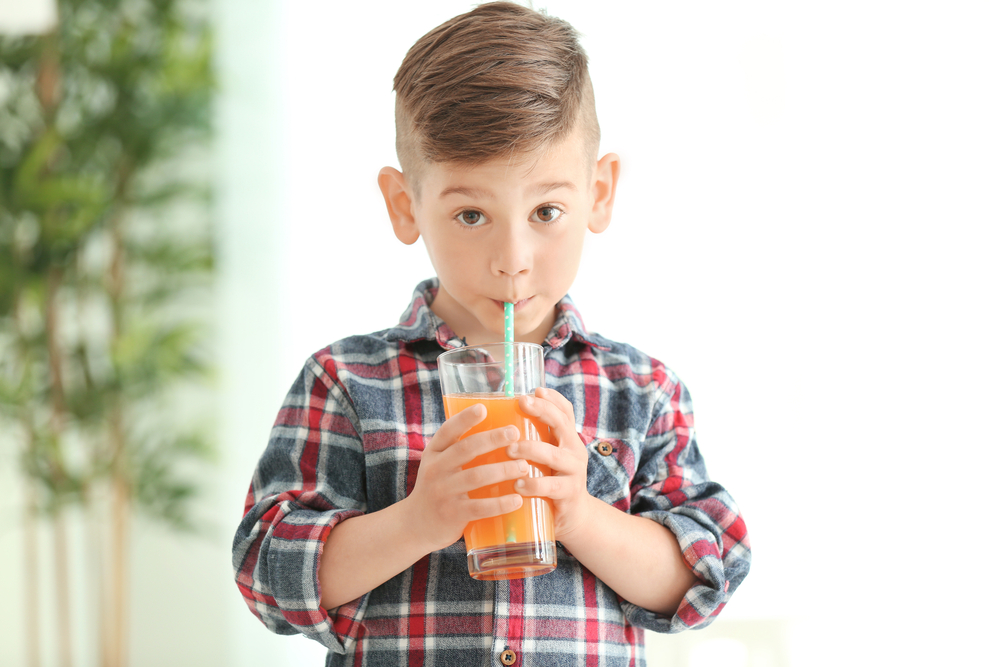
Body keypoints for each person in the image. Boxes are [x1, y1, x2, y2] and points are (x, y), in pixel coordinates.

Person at [232, 3, 750, 665]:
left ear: (598, 192)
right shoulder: (346, 382)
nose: (513, 259)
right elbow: (266, 571)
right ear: (405, 205)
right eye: (472, 214)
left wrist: (579, 513)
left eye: (546, 211)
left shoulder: (642, 391)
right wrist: (418, 519)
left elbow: (706, 572)